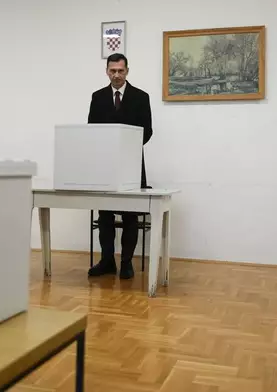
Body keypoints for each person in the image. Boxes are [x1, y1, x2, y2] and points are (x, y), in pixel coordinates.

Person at [87, 53, 153, 280]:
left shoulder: (141, 97)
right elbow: (91, 130)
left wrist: (126, 148)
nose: (116, 75)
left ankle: (126, 262)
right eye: (112, 70)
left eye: (120, 71)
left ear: (127, 71)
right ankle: (107, 261)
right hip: (104, 166)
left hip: (132, 165)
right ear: (107, 71)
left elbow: (148, 131)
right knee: (104, 215)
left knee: (130, 216)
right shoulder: (97, 97)